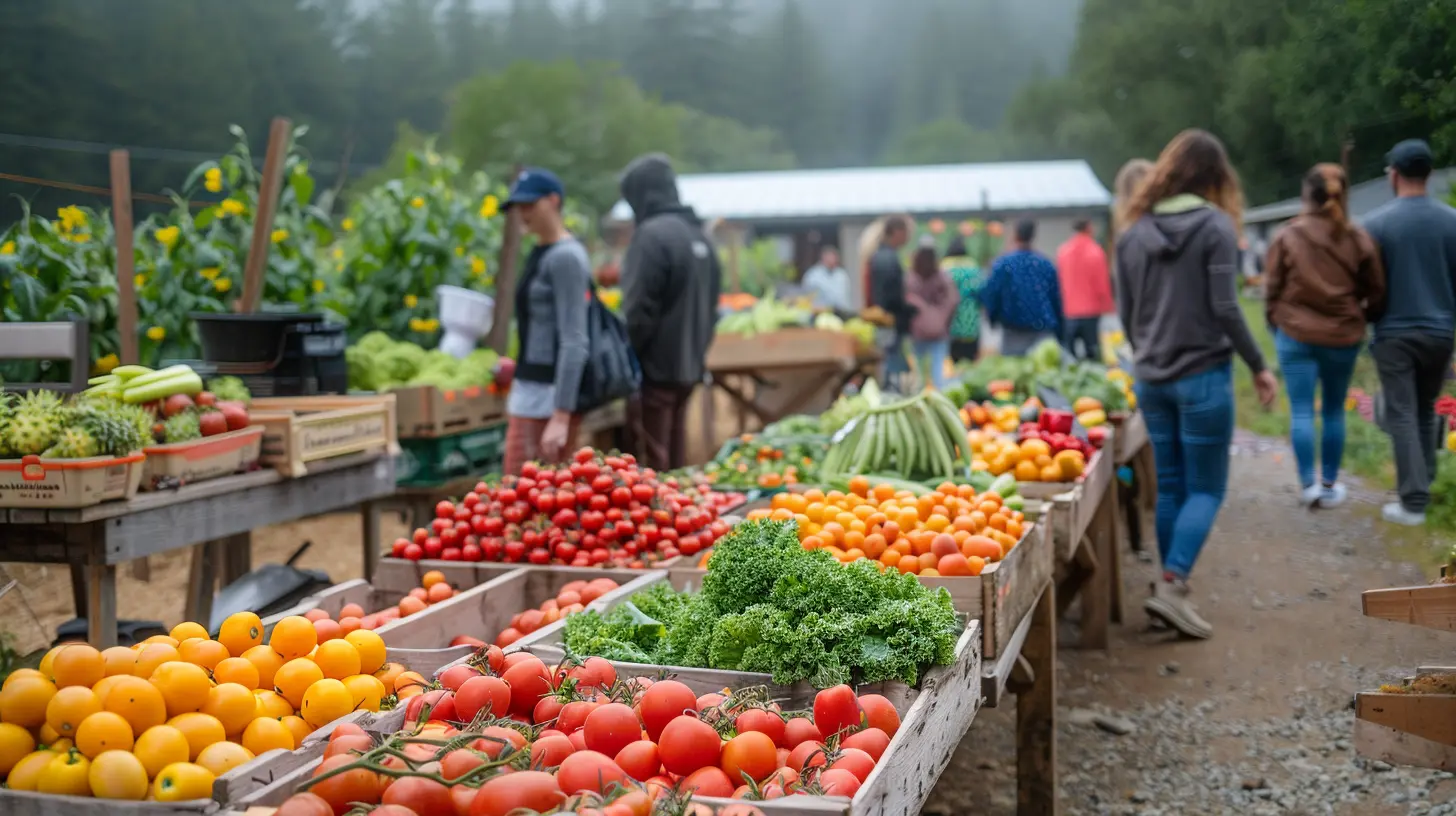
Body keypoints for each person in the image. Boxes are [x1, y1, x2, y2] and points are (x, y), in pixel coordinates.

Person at [1116, 129, 1279, 639]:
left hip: (1152, 378)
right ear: (1216, 176)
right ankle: (1172, 583)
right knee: (1206, 487)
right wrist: (1258, 364)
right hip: (1203, 375)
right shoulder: (1215, 226)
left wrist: (1147, 349)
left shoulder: (1133, 232)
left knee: (1172, 486)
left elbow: (1127, 312)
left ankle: (1170, 587)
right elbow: (1226, 307)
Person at [1265, 163, 1386, 508]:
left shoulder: (1288, 236)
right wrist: (1363, 318)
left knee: (1301, 410)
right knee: (1333, 411)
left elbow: (1272, 286)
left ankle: (1307, 486)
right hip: (1343, 338)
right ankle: (1330, 485)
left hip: (1295, 334)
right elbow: (1376, 290)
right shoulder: (1359, 238)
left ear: (1306, 194)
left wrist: (1277, 322)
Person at [1362, 139, 1456, 526]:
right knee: (1422, 410)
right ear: (1429, 174)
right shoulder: (1452, 221)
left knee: (1400, 413)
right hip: (1441, 333)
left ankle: (1412, 502)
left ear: (1394, 175)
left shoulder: (1375, 224)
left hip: (1395, 334)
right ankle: (1424, 485)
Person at [619, 153, 722, 472]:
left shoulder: (651, 237)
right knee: (675, 456)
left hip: (655, 372)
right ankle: (679, 517)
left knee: (651, 462)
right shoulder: (699, 236)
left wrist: (627, 360)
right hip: (688, 368)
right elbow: (712, 308)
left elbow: (638, 311)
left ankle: (659, 519)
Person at [501, 167, 590, 477]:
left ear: (553, 201)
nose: (523, 214)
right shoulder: (541, 251)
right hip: (529, 390)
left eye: (530, 205)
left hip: (548, 398)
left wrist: (561, 415)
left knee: (538, 499)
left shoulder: (566, 257)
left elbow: (574, 338)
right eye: (519, 207)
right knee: (519, 497)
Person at [981, 220, 1063, 356]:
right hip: (1042, 329)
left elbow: (992, 294)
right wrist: (1060, 329)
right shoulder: (1045, 264)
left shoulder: (1003, 264)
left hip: (1013, 331)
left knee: (1014, 372)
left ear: (1015, 235)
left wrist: (993, 319)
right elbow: (1056, 297)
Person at [1055, 219, 1114, 361]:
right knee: (1092, 354)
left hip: (1069, 311)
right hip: (1091, 311)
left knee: (1069, 356)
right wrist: (1108, 305)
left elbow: (1059, 281)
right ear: (1088, 229)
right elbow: (1102, 283)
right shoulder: (1095, 251)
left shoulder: (1063, 251)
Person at [868, 215, 915, 384]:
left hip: (886, 321)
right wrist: (908, 308)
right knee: (891, 369)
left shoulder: (880, 255)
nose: (908, 238)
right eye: (907, 233)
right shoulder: (888, 258)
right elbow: (891, 294)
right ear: (897, 232)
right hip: (890, 322)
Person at [905, 244, 960, 390]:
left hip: (918, 332)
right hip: (939, 332)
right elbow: (953, 300)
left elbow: (905, 301)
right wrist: (942, 317)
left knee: (919, 375)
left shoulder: (911, 278)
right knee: (938, 375)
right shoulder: (943, 277)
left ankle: (920, 403)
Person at [941, 237, 984, 362]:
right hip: (970, 320)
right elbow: (981, 291)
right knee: (969, 360)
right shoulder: (973, 266)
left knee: (950, 361)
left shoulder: (944, 267)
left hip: (950, 320)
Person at [802, 245, 853, 313]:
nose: (833, 259)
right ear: (824, 257)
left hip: (842, 313)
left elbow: (846, 296)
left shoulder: (841, 274)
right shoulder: (813, 275)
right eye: (831, 256)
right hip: (821, 314)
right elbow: (807, 296)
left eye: (835, 257)